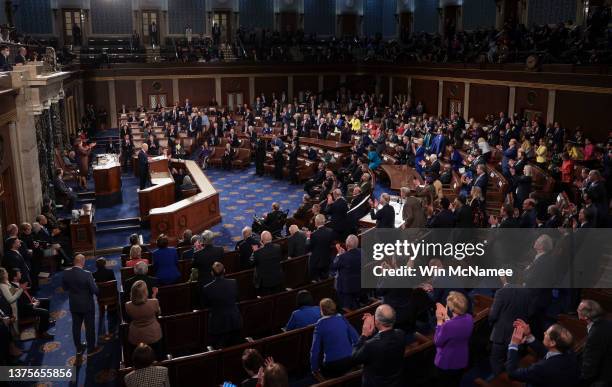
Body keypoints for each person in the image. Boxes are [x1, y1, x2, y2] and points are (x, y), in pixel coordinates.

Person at [506, 320, 579, 386]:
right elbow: (546, 352)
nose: (544, 333)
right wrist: (528, 335)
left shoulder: (542, 367)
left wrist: (514, 344)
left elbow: (512, 373)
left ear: (552, 343)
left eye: (547, 333)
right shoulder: (569, 354)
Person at [352, 304, 406, 387]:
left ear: (376, 322)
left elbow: (355, 358)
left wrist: (364, 335)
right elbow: (384, 337)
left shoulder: (370, 345)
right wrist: (375, 321)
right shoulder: (401, 334)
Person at [61, 254, 101, 357]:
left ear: (74, 261)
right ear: (82, 262)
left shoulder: (66, 273)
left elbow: (64, 288)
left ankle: (79, 348)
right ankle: (91, 348)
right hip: (87, 305)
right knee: (89, 327)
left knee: (76, 327)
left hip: (74, 304)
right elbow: (94, 290)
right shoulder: (87, 274)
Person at [488, 283, 532, 376]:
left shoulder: (501, 292)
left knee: (497, 361)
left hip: (500, 335)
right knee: (513, 362)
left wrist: (491, 323)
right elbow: (530, 313)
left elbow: (493, 316)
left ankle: (498, 380)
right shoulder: (528, 292)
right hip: (519, 334)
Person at [310, 298, 359, 378]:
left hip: (332, 365)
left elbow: (315, 350)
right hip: (349, 360)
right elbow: (356, 338)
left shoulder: (320, 324)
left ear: (322, 310)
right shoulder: (341, 318)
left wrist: (314, 369)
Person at [433, 291, 474, 386]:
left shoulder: (448, 326)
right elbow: (455, 328)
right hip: (461, 359)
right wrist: (447, 319)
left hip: (447, 362)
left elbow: (437, 342)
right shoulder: (469, 318)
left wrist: (439, 321)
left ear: (451, 309)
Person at [201, 262, 242, 348]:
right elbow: (237, 297)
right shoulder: (233, 282)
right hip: (234, 320)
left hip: (218, 324)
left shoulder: (207, 288)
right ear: (224, 271)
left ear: (212, 273)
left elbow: (205, 305)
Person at [577, 299, 612, 386]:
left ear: (585, 317)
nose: (577, 310)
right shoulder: (607, 322)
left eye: (579, 309)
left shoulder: (594, 335)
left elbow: (590, 366)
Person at [126, 280, 163, 359]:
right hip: (154, 335)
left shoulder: (128, 305)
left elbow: (129, 317)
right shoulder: (154, 302)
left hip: (136, 337)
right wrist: (154, 296)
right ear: (145, 292)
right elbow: (158, 313)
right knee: (158, 357)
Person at [330, 235, 362, 310]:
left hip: (345, 289)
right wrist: (343, 254)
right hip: (359, 285)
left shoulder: (343, 257)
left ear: (346, 244)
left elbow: (333, 267)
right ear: (357, 243)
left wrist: (338, 255)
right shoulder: (362, 252)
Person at [250, 231, 283, 295]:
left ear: (261, 240)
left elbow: (251, 263)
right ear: (271, 238)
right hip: (277, 279)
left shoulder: (258, 253)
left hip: (264, 284)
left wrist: (254, 252)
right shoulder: (278, 247)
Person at [306, 214, 335, 281]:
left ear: (316, 222)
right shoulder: (331, 231)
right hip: (327, 259)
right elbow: (331, 243)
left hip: (316, 262)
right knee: (325, 277)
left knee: (314, 278)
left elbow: (308, 248)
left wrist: (308, 238)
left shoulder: (313, 235)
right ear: (324, 222)